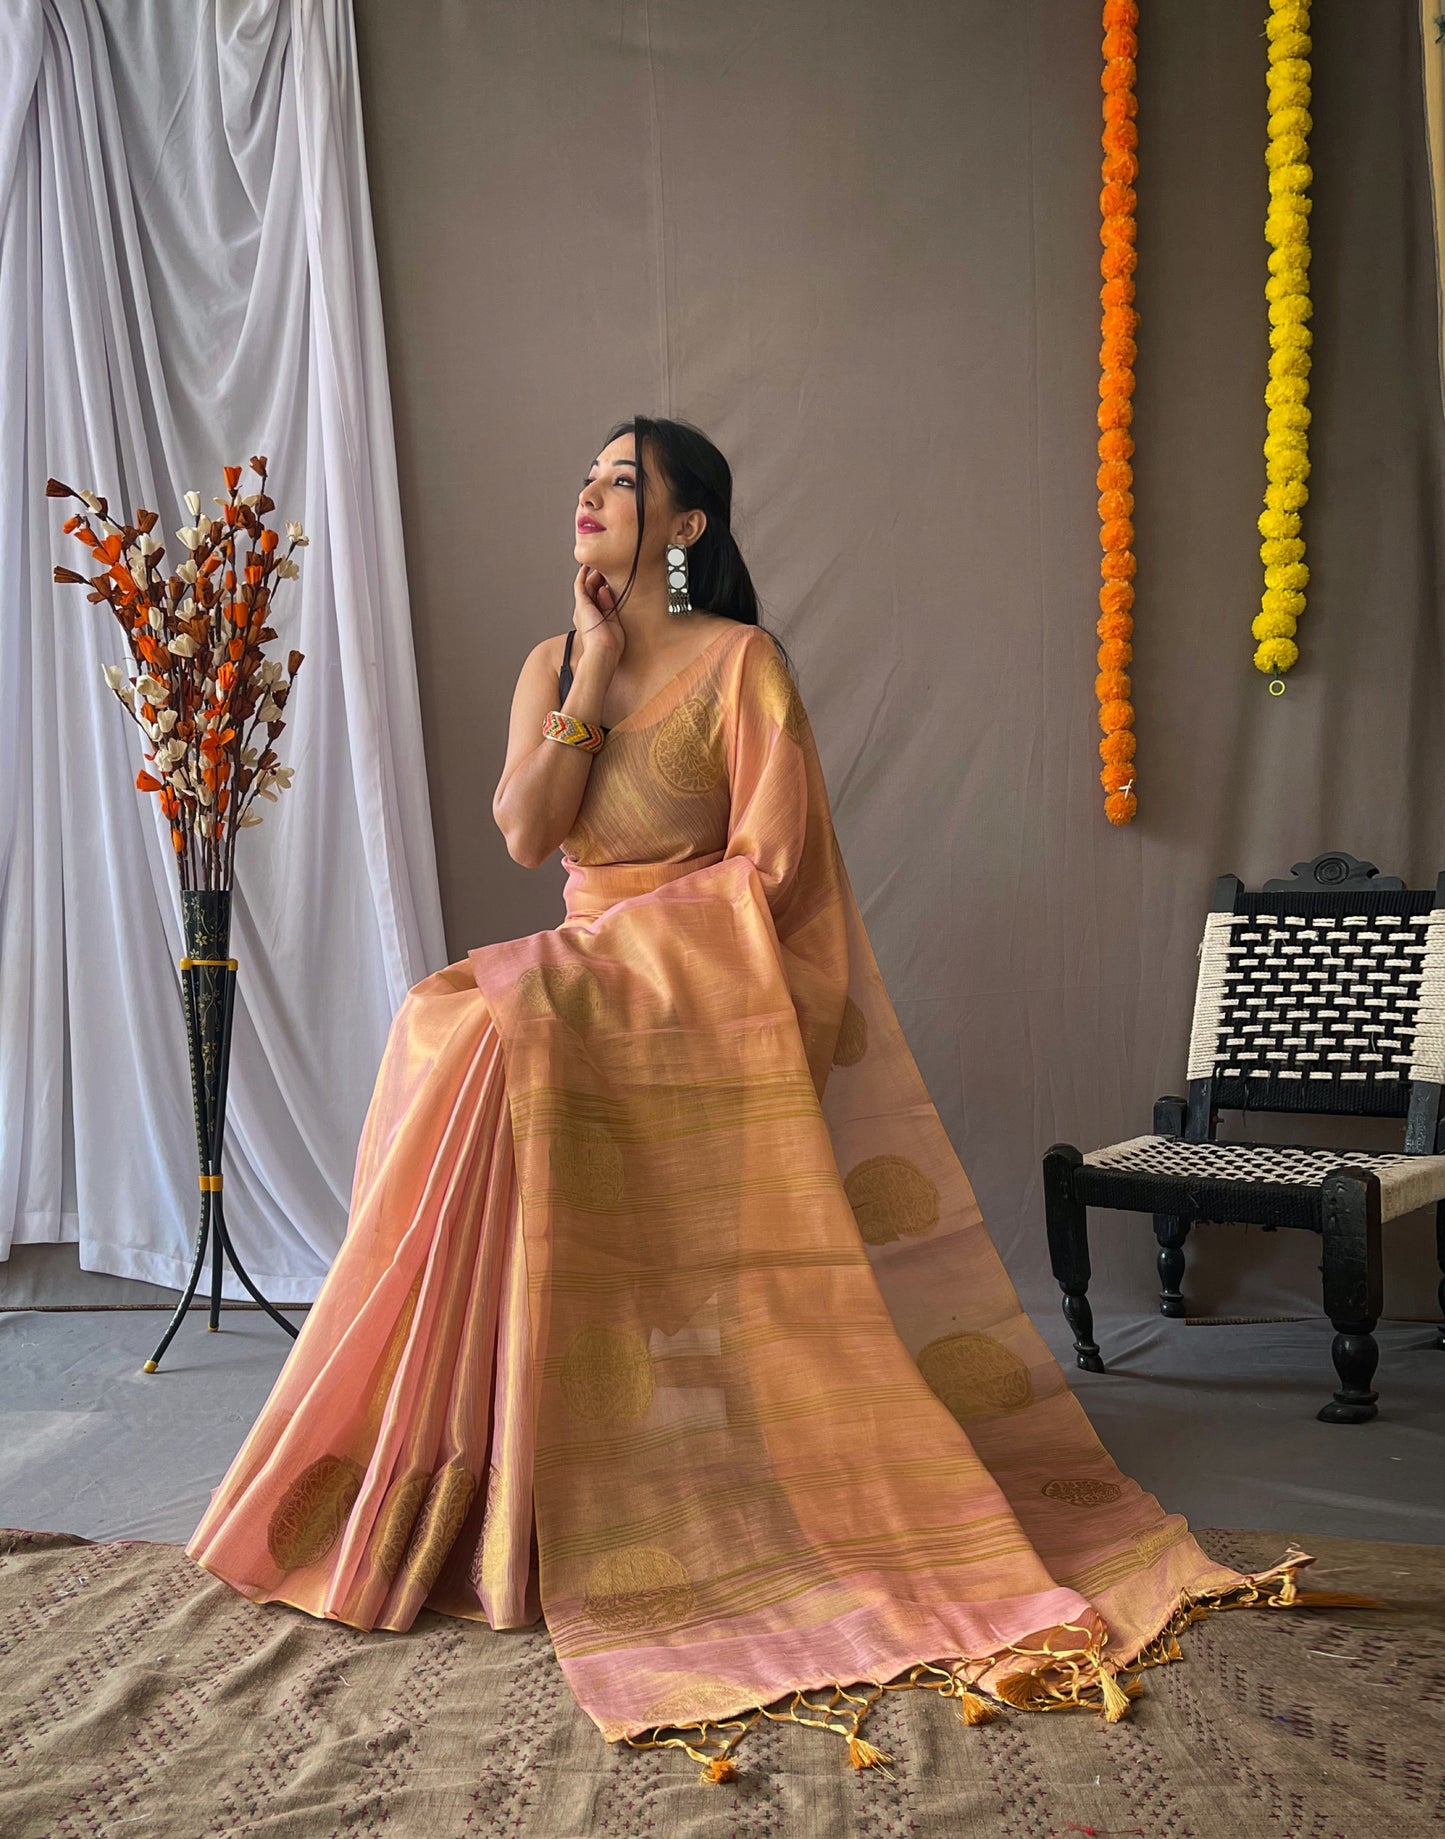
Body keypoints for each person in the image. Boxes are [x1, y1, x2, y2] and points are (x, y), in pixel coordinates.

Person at [186, 414, 1325, 1781]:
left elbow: (777, 877)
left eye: (623, 481)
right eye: (586, 476)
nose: (590, 495)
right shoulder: (558, 662)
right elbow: (525, 831)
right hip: (584, 988)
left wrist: (627, 963)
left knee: (488, 1031)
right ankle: (483, 1480)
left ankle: (688, 1493)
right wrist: (592, 671)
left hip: (695, 1003)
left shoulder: (742, 665)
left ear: (687, 526)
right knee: (455, 1032)